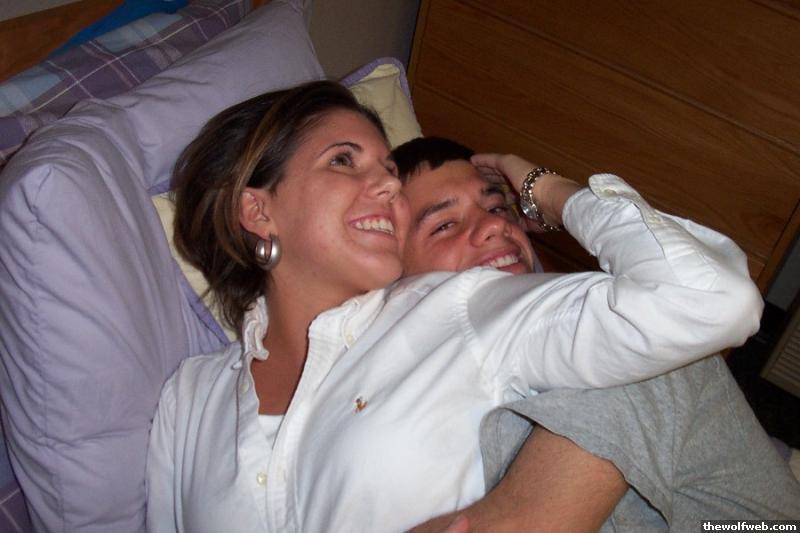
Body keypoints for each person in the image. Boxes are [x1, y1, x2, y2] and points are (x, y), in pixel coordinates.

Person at [145, 80, 764, 532]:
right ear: (258, 210)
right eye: (343, 161)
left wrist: (545, 189)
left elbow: (707, 300)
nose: (386, 185)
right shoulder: (190, 399)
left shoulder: (455, 308)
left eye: (389, 170)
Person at [391, 136, 800, 531]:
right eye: (444, 225)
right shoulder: (415, 384)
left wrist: (545, 190)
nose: (495, 226)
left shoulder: (625, 332)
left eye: (498, 208)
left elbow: (710, 298)